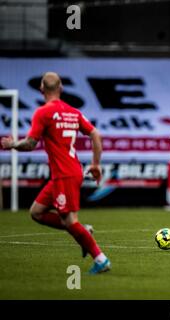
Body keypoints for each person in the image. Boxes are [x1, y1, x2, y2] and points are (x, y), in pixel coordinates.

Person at [1, 72, 111, 273]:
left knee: (70, 221)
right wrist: (96, 164)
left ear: (41, 89)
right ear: (60, 89)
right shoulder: (73, 112)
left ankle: (101, 259)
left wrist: (12, 144)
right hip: (67, 172)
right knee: (36, 212)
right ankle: (82, 232)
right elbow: (95, 133)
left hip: (64, 174)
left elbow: (30, 144)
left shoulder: (43, 113)